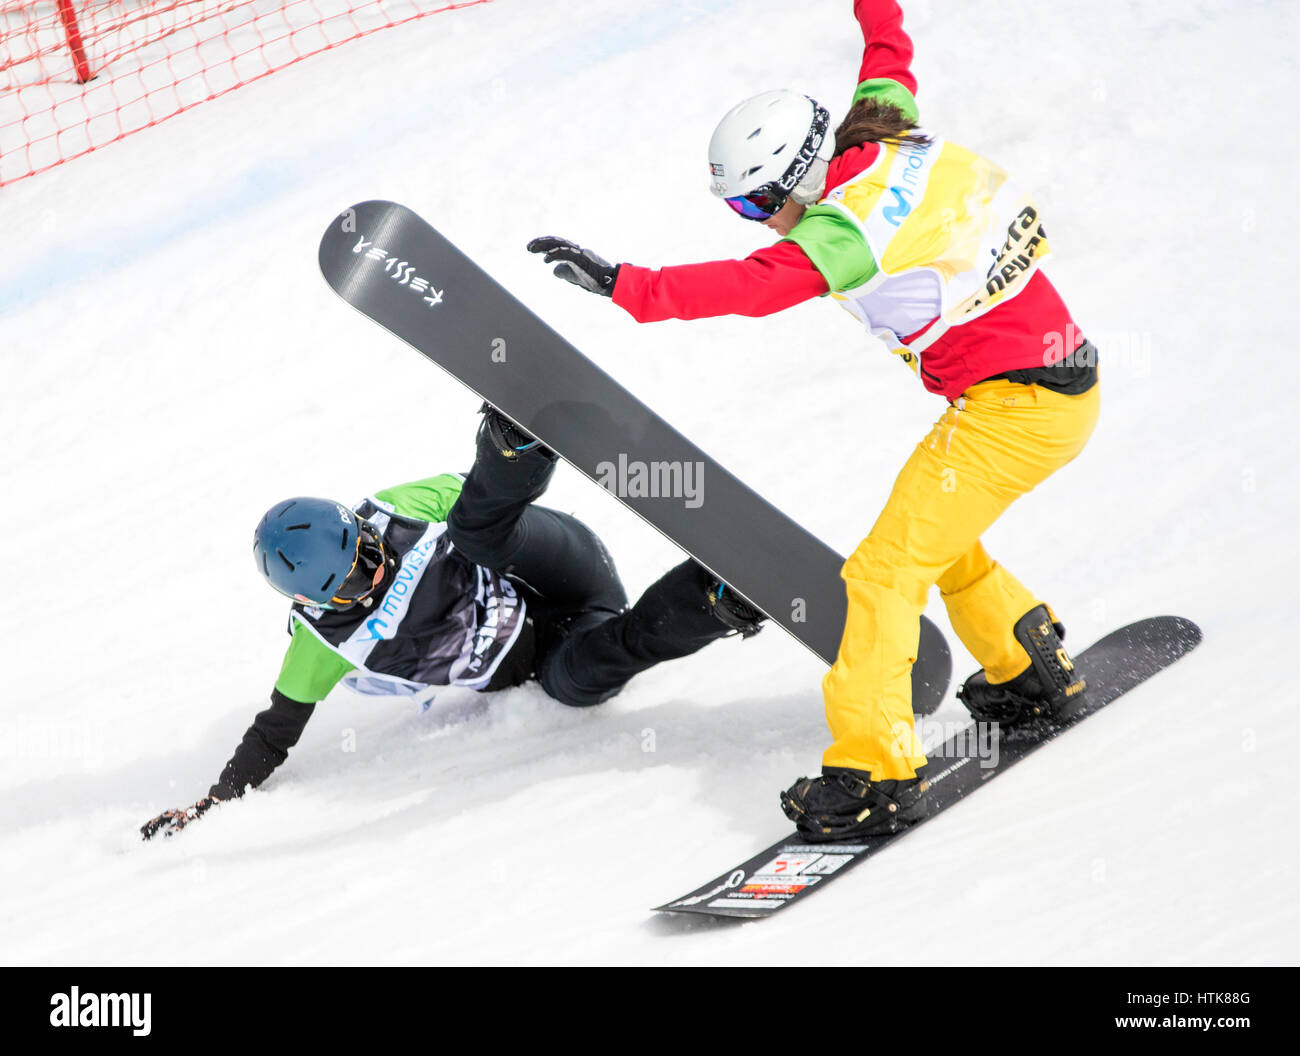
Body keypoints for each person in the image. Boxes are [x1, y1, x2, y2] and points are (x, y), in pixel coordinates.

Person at [526, 0, 1099, 841]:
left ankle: (871, 774)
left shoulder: (846, 232)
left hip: (1019, 407)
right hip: (1044, 389)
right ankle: (1028, 670)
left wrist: (626, 286)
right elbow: (887, 48)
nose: (762, 223)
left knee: (881, 574)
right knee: (936, 544)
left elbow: (751, 288)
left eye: (757, 206)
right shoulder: (883, 132)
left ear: (792, 179)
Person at [140, 406, 762, 839]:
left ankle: (515, 441)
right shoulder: (322, 645)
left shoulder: (395, 511)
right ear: (319, 605)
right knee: (579, 682)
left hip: (552, 567)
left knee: (471, 526)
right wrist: (214, 802)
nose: (374, 570)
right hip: (553, 649)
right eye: (355, 581)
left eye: (366, 551)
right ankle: (713, 601)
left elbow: (496, 510)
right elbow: (273, 734)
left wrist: (503, 467)